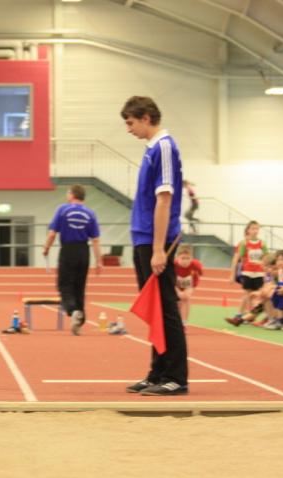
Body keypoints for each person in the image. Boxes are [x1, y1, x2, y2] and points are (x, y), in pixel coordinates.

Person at [120, 96, 188, 396]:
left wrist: (159, 249)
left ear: (146, 117)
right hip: (143, 238)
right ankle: (157, 372)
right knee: (155, 310)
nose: (128, 129)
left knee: (166, 308)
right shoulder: (151, 149)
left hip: (154, 240)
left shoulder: (164, 147)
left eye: (131, 122)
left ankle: (176, 377)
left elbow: (165, 199)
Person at [41, 184, 102, 335]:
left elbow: (52, 233)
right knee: (79, 287)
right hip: (84, 251)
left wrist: (46, 248)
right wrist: (99, 261)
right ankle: (79, 321)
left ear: (72, 194)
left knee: (64, 285)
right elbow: (95, 240)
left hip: (68, 250)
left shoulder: (62, 210)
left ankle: (73, 310)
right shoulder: (90, 213)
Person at [227, 221, 268, 322]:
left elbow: (266, 258)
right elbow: (238, 259)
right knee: (247, 294)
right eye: (253, 229)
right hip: (247, 272)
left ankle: (253, 316)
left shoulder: (262, 243)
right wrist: (232, 274)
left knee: (260, 295)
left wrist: (265, 271)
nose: (255, 231)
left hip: (259, 273)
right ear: (248, 230)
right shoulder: (244, 243)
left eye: (257, 229)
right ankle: (241, 315)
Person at [173, 244, 203, 327]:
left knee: (186, 298)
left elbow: (199, 275)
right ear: (177, 257)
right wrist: (178, 291)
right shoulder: (173, 265)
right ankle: (177, 320)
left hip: (190, 284)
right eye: (183, 258)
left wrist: (191, 288)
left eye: (188, 258)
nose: (185, 261)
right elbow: (170, 280)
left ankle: (184, 322)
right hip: (175, 285)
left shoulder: (196, 265)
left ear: (191, 258)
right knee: (178, 301)